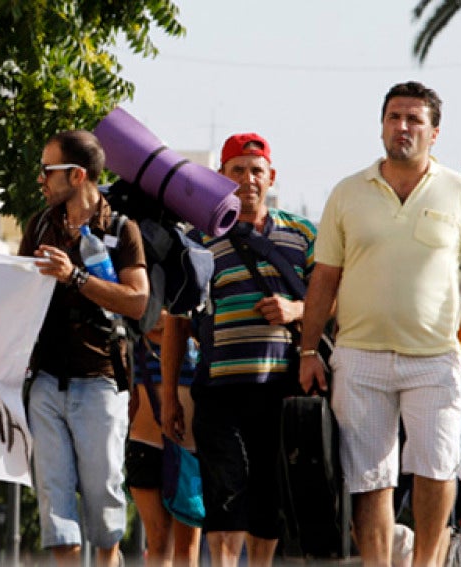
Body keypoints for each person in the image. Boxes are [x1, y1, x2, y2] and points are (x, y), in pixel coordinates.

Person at [299, 81, 461, 567]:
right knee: (369, 479)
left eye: (413, 119)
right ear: (382, 125)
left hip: (436, 360)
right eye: (393, 117)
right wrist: (306, 352)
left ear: (435, 132)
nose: (402, 127)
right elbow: (324, 279)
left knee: (437, 470)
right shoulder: (347, 192)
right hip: (359, 357)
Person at [162, 133, 315, 567]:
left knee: (268, 496)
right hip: (217, 390)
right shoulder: (196, 239)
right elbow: (177, 323)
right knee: (224, 496)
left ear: (271, 177)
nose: (247, 179)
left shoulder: (303, 233)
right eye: (237, 170)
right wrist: (171, 394)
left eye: (256, 171)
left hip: (281, 388)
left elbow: (334, 298)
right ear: (221, 176)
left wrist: (296, 308)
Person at [18, 129, 148, 567]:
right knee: (54, 500)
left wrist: (74, 276)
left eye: (46, 170)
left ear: (75, 175)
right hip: (46, 380)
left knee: (104, 496)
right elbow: (14, 295)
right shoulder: (38, 225)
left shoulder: (121, 230)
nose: (40, 180)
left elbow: (137, 300)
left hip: (100, 379)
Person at [126, 311, 201, 567]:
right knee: (157, 540)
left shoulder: (196, 307)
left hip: (189, 447)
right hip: (144, 440)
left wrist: (176, 322)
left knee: (187, 547)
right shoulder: (137, 306)